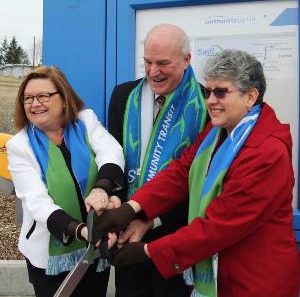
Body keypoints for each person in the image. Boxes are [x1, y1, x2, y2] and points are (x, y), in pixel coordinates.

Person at [94, 49, 300, 296]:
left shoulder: (266, 151)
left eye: (221, 92)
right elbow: (180, 172)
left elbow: (218, 227)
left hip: (254, 280)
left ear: (250, 97)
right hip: (219, 273)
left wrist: (148, 251)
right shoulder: (218, 132)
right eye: (207, 92)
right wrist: (132, 208)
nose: (211, 100)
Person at [107, 23, 207, 296]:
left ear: (187, 59)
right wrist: (116, 204)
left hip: (174, 235)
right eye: (147, 62)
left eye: (163, 63)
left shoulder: (206, 104)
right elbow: (115, 160)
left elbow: (197, 180)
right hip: (125, 233)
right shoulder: (123, 97)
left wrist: (151, 220)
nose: (153, 72)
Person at [6, 66, 124, 297]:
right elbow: (38, 202)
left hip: (96, 244)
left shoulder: (86, 121)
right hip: (49, 256)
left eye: (43, 96)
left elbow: (112, 152)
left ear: (63, 97)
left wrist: (102, 189)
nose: (34, 103)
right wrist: (80, 230)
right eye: (28, 98)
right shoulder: (19, 146)